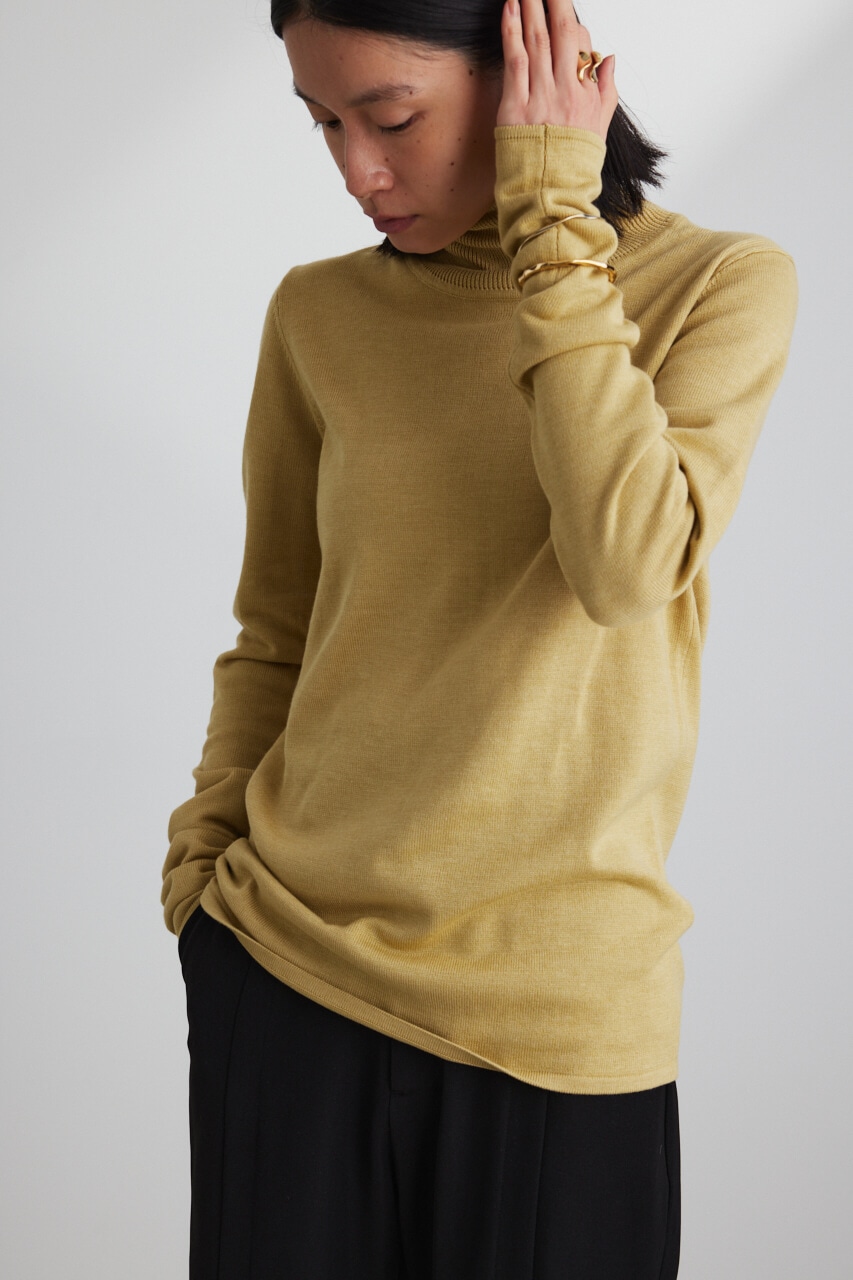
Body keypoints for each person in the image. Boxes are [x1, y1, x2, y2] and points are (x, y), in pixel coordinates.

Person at [162, 1, 798, 1276]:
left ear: (531, 70)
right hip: (286, 974)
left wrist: (554, 229)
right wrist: (202, 882)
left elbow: (623, 566)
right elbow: (277, 628)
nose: (357, 171)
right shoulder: (318, 313)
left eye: (390, 118)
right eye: (323, 124)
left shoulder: (718, 285)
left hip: (559, 1018)